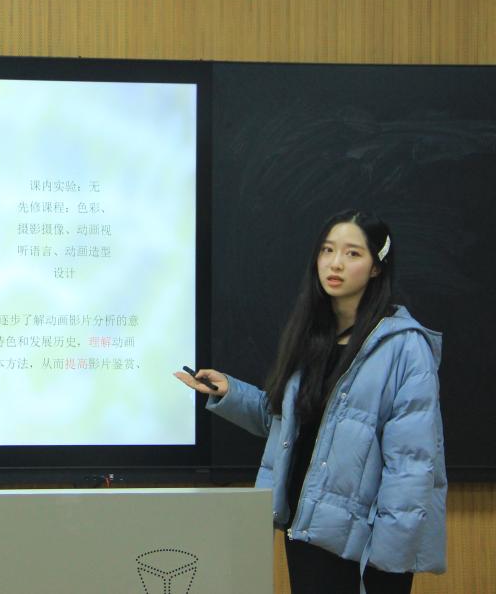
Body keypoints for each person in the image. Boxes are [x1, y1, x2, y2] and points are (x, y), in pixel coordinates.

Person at [175, 210, 446, 594]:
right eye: (327, 250)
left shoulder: (404, 347)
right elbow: (289, 427)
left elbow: (412, 464)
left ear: (376, 267)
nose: (335, 263)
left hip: (364, 546)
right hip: (305, 529)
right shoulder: (312, 337)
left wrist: (389, 560)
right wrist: (230, 393)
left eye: (353, 253)